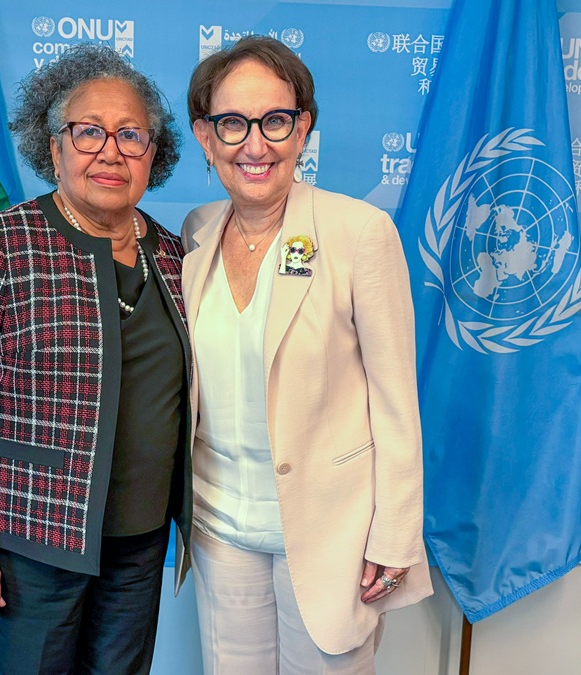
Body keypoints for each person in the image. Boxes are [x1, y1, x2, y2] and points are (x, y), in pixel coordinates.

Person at [0, 44, 190, 674]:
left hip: (141, 543)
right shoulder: (1, 243)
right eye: (88, 131)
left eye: (131, 135)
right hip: (29, 540)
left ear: (155, 152)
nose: (111, 151)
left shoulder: (175, 255)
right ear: (55, 145)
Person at [182, 35, 432, 672]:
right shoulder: (197, 231)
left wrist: (395, 533)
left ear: (303, 130)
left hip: (332, 534)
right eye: (232, 123)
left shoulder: (359, 233)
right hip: (220, 528)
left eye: (276, 120)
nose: (255, 144)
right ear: (205, 136)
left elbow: (396, 400)